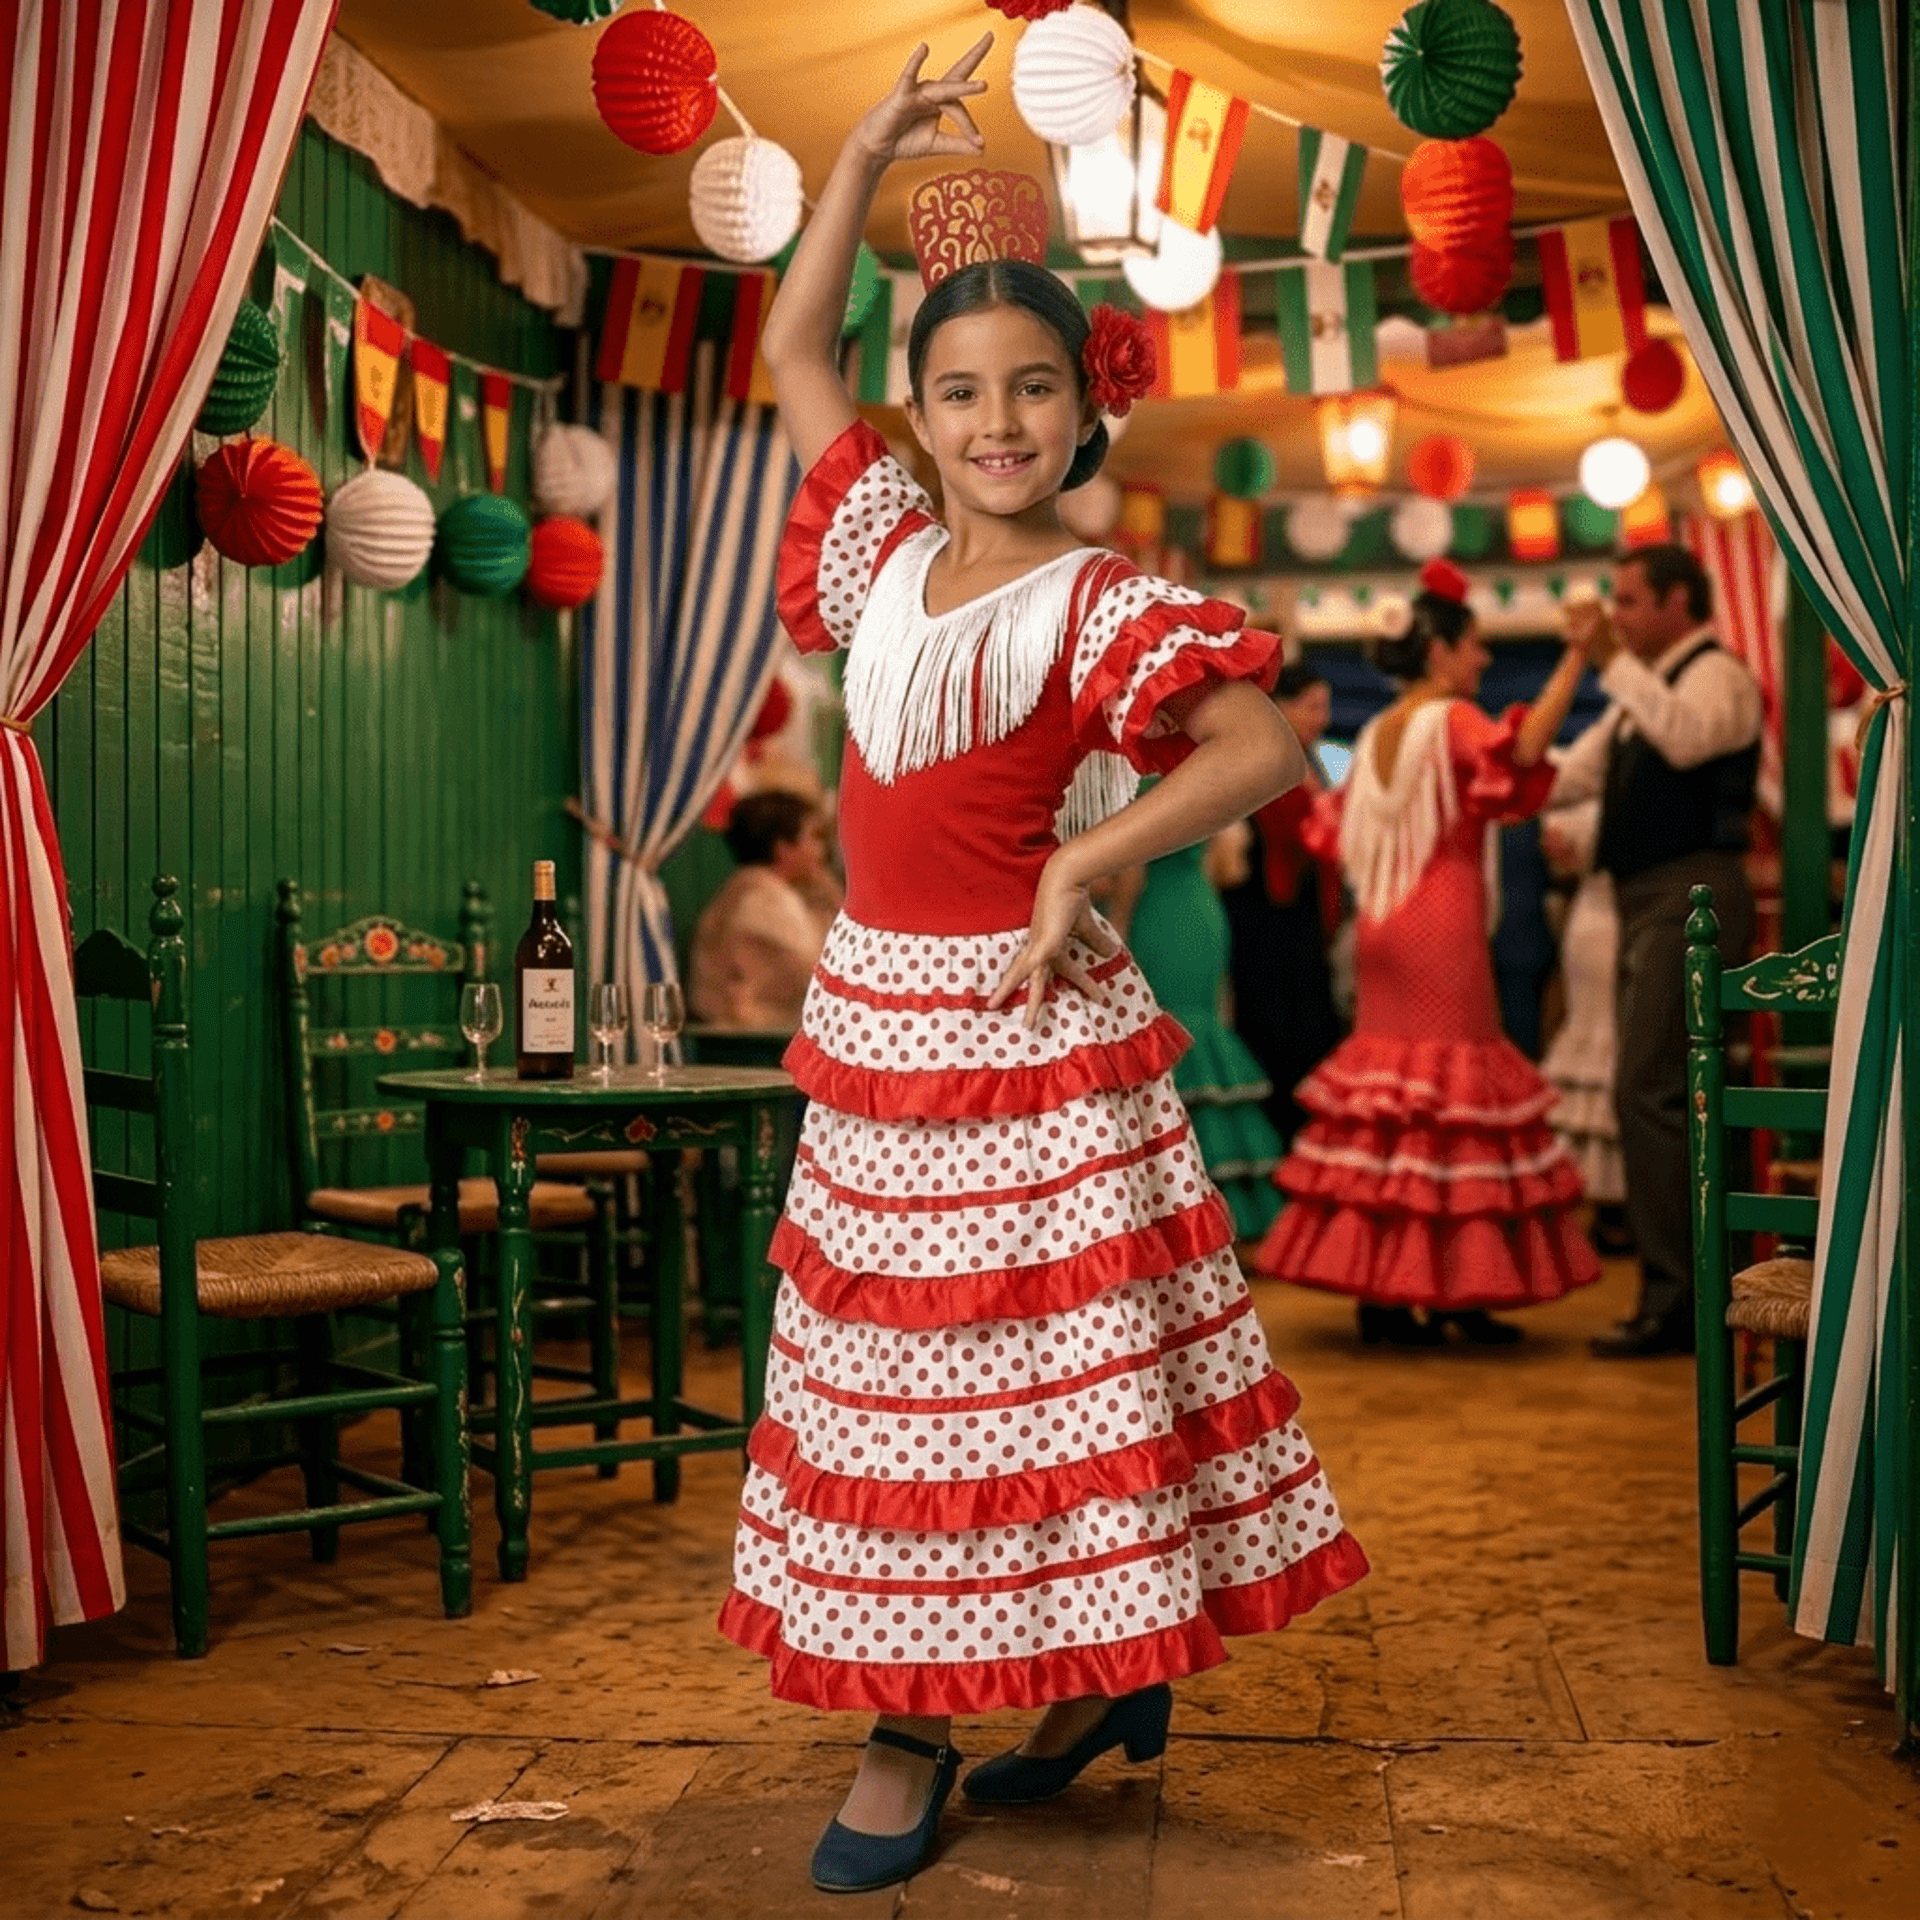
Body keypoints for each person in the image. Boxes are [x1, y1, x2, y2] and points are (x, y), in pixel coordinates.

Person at [718, 35, 1367, 1896]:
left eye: (1031, 391)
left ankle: (962, 1716)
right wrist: (852, 163)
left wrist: (1091, 850)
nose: (996, 420)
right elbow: (784, 348)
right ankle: (972, 1703)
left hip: (1032, 1046)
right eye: (958, 390)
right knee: (894, 1398)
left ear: (1084, 412)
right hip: (883, 1030)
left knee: (1038, 1403)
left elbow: (1255, 749)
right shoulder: (869, 552)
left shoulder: (1105, 598)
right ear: (915, 413)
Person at [1252, 562, 1600, 1346]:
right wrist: (1577, 659)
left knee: (1391, 1099)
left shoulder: (1375, 731)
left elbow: (1330, 831)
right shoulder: (1450, 720)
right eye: (1473, 646)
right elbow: (1527, 749)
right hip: (1441, 926)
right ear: (1440, 652)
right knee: (1450, 1099)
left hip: (1383, 928)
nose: (1480, 661)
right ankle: (1449, 1291)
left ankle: (1385, 1292)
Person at [1551, 548, 1763, 1356]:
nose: (1620, 616)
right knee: (1648, 1091)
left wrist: (1610, 662)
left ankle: (1681, 1300)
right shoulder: (1631, 697)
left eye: (1633, 601)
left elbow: (1686, 742)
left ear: (1681, 601)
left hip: (1694, 895)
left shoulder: (1717, 675)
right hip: (1647, 900)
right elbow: (1571, 777)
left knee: (1653, 1090)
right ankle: (1676, 1292)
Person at [1108, 811, 1283, 1240]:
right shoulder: (1194, 764)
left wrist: (1114, 927)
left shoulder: (1141, 773)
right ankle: (1219, 1218)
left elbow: (1129, 871)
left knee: (1166, 1048)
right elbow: (1231, 864)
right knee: (1197, 1042)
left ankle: (1178, 1218)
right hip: (1198, 908)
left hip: (1157, 914)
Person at [1219, 661, 1345, 1146]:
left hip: (1302, 917)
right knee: (1274, 1028)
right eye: (1312, 707)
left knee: (1310, 1027)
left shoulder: (1310, 762)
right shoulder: (1260, 761)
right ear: (1280, 708)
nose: (1322, 719)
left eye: (1325, 708)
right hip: (1265, 918)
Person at [1538, 801, 1632, 1251]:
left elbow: (1560, 853)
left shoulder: (1574, 806)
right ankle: (1609, 1199)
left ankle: (1604, 1196)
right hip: (1606, 919)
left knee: (1607, 1046)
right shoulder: (1599, 801)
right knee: (1606, 1045)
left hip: (1600, 918)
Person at [688, 790, 839, 1031]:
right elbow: (824, 983)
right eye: (813, 838)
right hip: (750, 1045)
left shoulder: (755, 890)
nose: (821, 851)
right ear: (783, 849)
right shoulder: (763, 899)